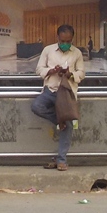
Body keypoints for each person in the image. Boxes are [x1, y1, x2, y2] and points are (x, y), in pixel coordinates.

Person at [30, 24, 85, 171]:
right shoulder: (48, 50)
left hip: (66, 93)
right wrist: (51, 71)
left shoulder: (77, 53)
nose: (65, 44)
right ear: (57, 38)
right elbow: (39, 69)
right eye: (63, 41)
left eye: (68, 41)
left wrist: (70, 74)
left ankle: (61, 160)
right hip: (50, 90)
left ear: (72, 39)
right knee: (37, 106)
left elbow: (81, 73)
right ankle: (60, 120)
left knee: (68, 126)